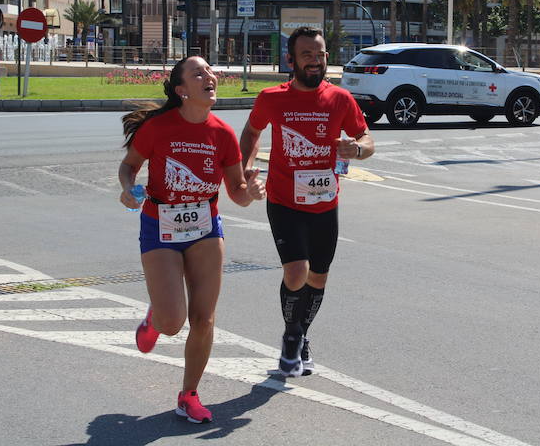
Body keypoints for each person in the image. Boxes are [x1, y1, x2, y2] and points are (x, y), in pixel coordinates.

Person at [119, 56, 265, 423]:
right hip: (160, 225)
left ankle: (189, 394)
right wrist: (126, 188)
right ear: (182, 90)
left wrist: (252, 192)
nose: (209, 76)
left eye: (210, 71)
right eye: (198, 73)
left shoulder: (222, 134)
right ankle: (156, 318)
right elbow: (129, 166)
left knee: (204, 319)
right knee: (172, 323)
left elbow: (237, 192)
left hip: (205, 226)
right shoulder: (157, 128)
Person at [239, 26, 375, 377]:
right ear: (291, 60)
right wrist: (246, 165)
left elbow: (366, 138)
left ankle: (302, 337)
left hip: (325, 203)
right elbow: (253, 131)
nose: (316, 62)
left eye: (321, 55)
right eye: (307, 56)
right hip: (284, 199)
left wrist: (357, 150)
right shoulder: (272, 98)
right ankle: (291, 335)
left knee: (319, 277)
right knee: (296, 271)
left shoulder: (340, 99)